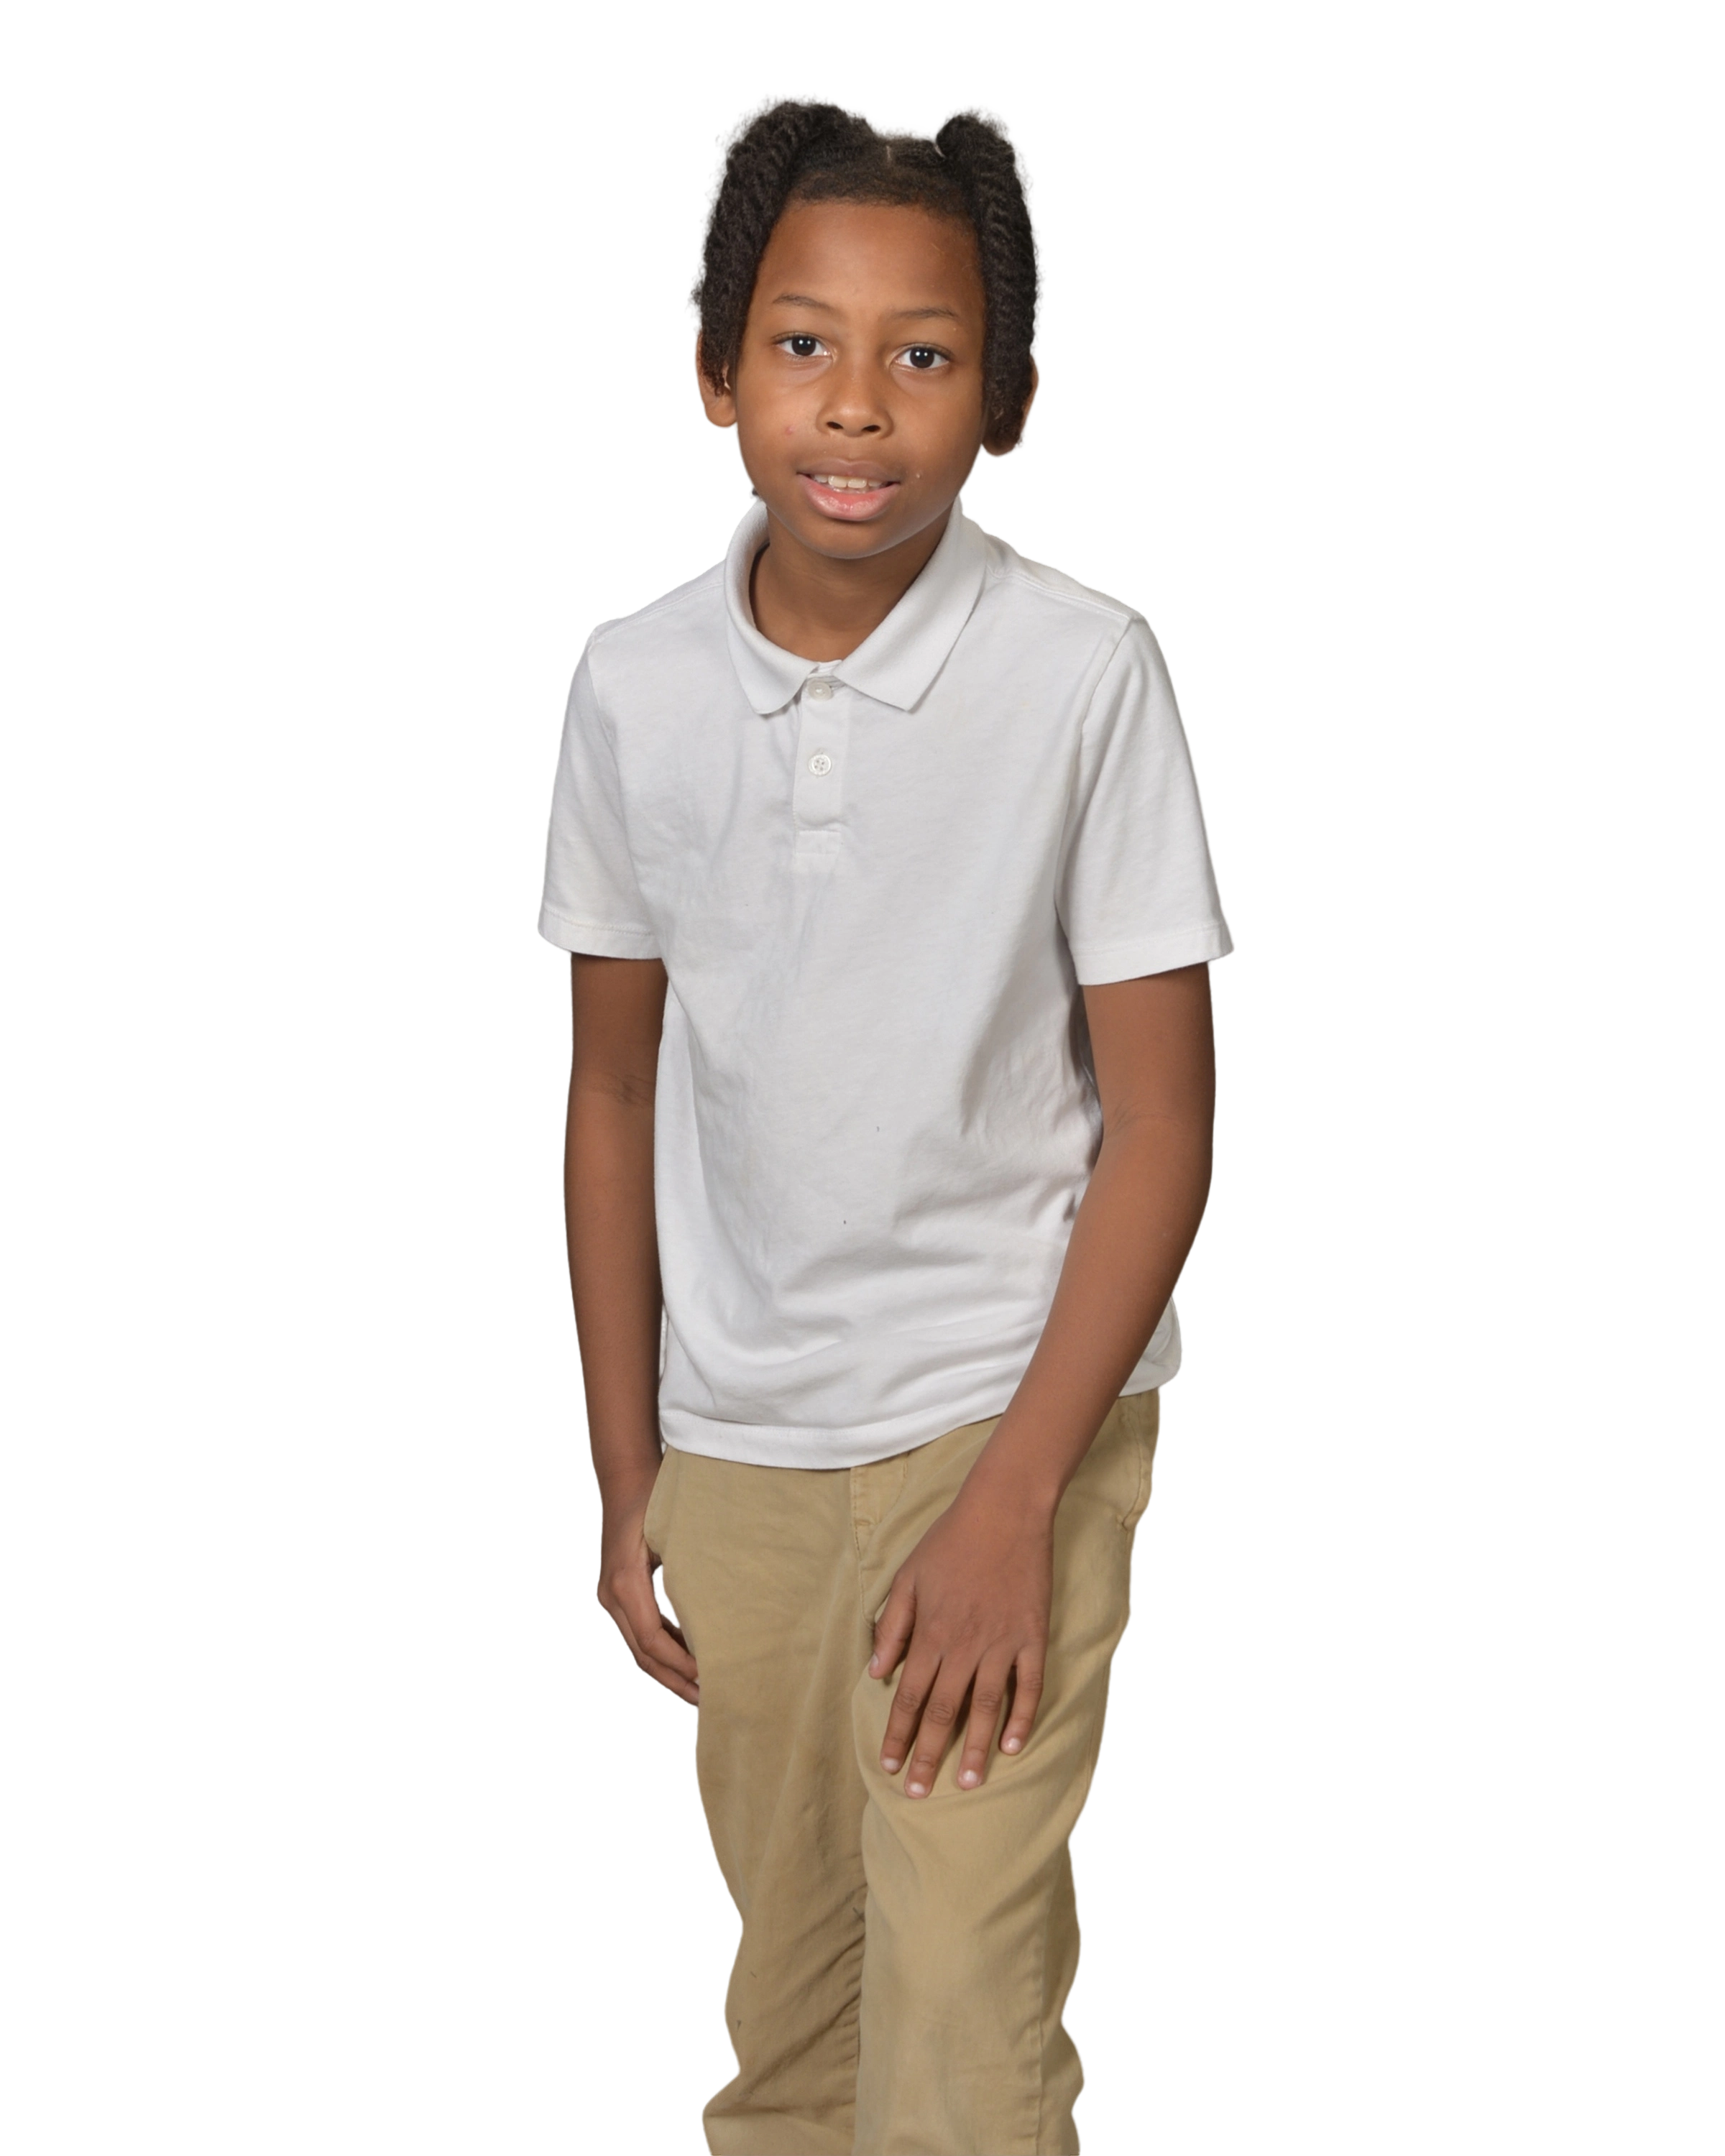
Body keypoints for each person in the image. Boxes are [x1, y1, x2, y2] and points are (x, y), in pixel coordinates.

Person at [540, 88, 1234, 2156]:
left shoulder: (1082, 676)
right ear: (714, 369)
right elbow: (611, 1087)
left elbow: (1165, 1126)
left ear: (1002, 397)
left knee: (962, 2019)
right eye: (803, 343)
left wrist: (1016, 1503)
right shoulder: (633, 685)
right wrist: (628, 1475)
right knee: (799, 2016)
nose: (856, 405)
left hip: (1002, 1414)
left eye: (924, 354)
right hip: (742, 1445)